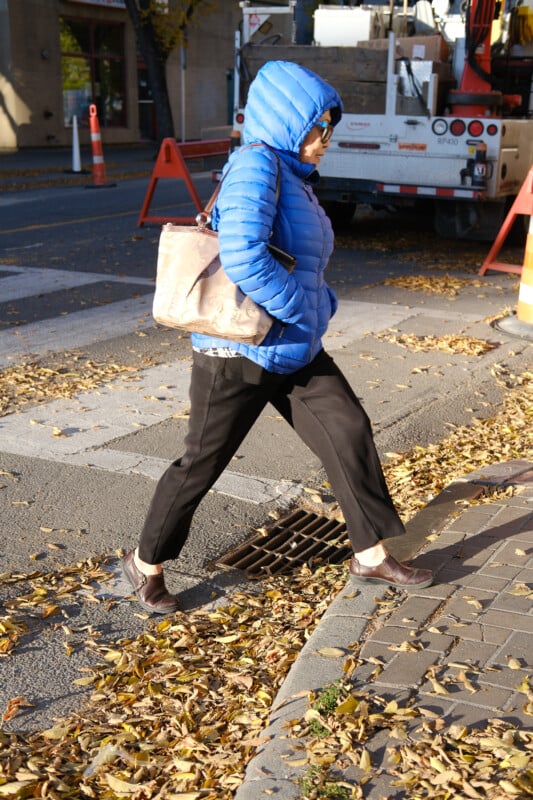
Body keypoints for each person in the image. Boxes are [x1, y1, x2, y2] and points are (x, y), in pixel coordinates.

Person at [122, 60, 433, 614]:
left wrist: (319, 304)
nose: (326, 139)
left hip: (292, 346)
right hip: (239, 351)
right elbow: (243, 256)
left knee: (347, 429)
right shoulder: (255, 167)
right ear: (289, 123)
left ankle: (369, 551)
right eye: (318, 128)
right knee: (202, 462)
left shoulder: (292, 177)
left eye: (329, 127)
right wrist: (296, 308)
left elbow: (303, 261)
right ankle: (145, 562)